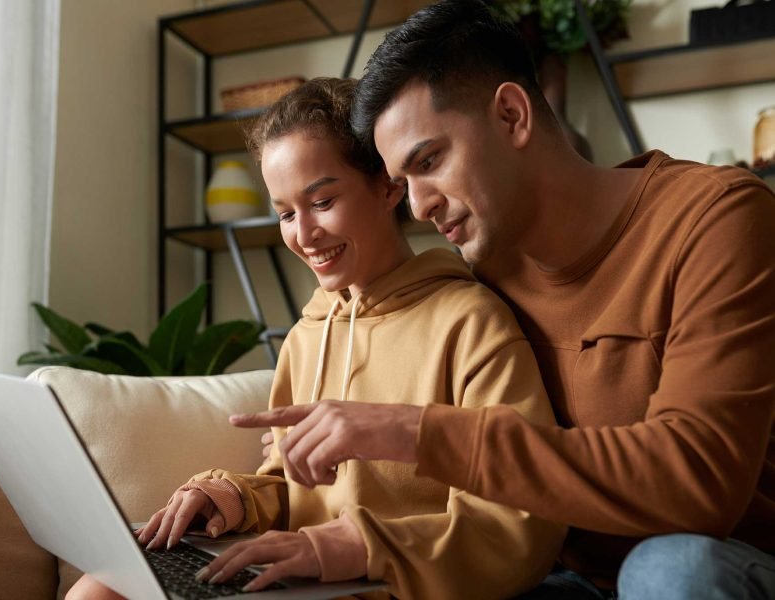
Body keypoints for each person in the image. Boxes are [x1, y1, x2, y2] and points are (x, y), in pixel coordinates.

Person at [231, 2, 775, 599]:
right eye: (403, 181)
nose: (418, 206)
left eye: (430, 161)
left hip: (712, 561)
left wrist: (409, 432)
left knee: (668, 569)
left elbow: (698, 482)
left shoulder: (716, 217)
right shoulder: (488, 271)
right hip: (565, 580)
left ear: (512, 115)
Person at [67, 77, 565, 600]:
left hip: (398, 585)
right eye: (286, 213)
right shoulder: (307, 335)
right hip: (302, 581)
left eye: (322, 201)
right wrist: (231, 497)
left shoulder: (471, 323)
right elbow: (295, 486)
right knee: (100, 588)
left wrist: (354, 547)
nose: (303, 235)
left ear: (388, 186)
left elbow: (520, 523)